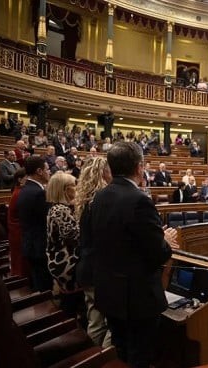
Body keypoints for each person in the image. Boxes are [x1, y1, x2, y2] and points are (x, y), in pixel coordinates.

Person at [81, 141, 178, 367]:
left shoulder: (99, 197)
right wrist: (167, 241)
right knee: (140, 357)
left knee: (122, 352)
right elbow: (158, 254)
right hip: (138, 299)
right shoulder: (139, 200)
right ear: (139, 168)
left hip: (110, 294)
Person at [75, 157, 113, 348]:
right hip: (100, 271)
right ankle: (106, 361)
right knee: (113, 325)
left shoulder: (85, 201)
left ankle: (92, 359)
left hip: (87, 269)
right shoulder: (102, 201)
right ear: (103, 173)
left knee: (95, 322)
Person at [46, 172, 83, 317]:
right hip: (65, 262)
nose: (77, 188)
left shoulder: (58, 208)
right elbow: (74, 236)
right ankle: (71, 329)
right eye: (74, 185)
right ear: (65, 189)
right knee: (72, 303)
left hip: (63, 260)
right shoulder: (61, 210)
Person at [17, 156, 52, 292]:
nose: (49, 172)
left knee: (39, 283)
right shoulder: (37, 193)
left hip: (30, 244)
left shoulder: (26, 189)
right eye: (47, 169)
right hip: (39, 246)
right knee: (44, 288)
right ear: (39, 171)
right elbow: (47, 219)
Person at [7, 169, 28, 278]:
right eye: (27, 178)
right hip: (18, 231)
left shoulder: (18, 191)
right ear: (20, 179)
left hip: (17, 230)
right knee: (21, 261)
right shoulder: (19, 193)